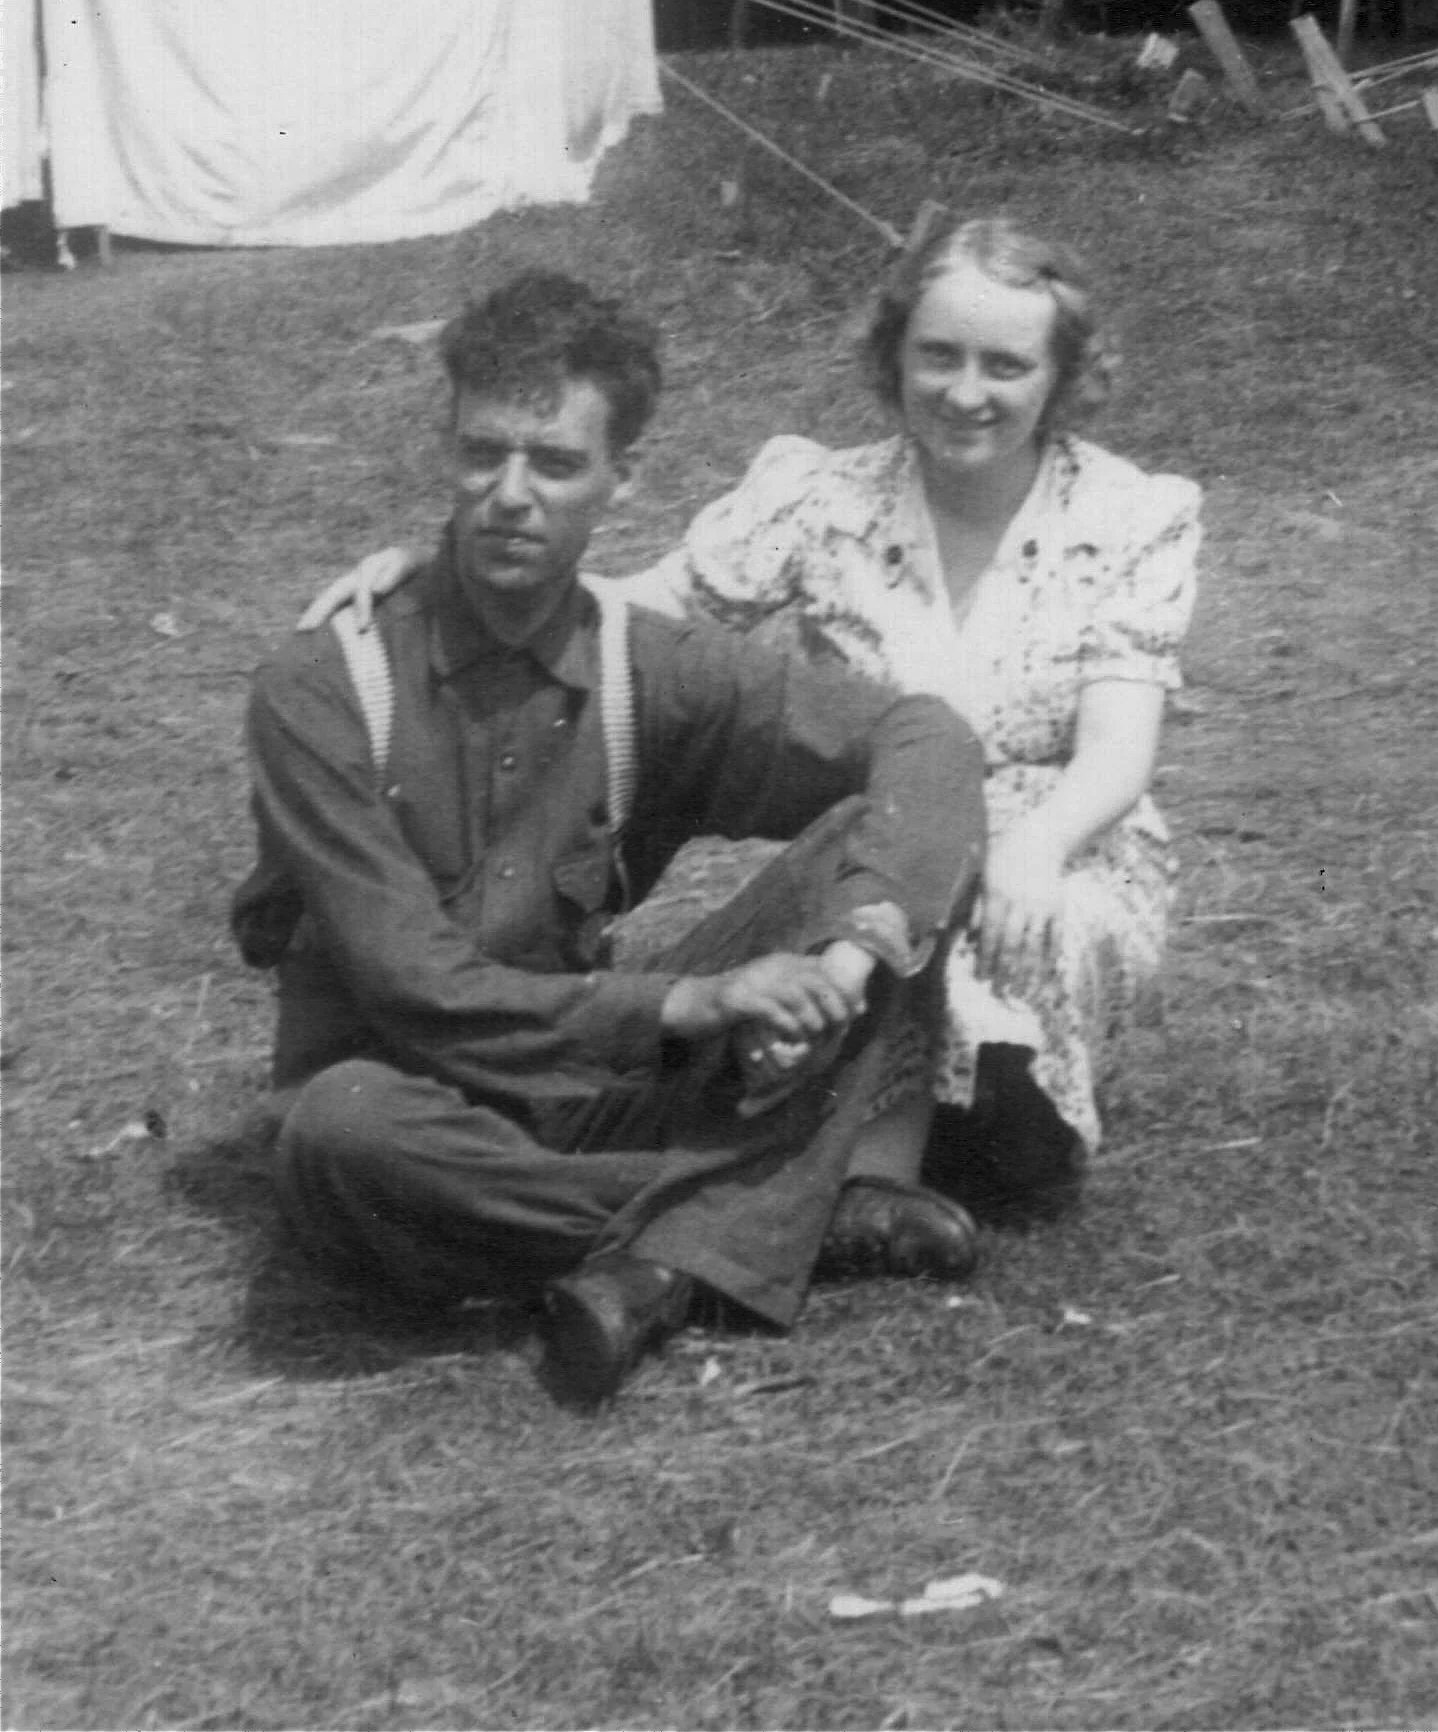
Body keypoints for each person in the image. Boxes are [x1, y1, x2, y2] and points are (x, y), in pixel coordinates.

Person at [308, 215, 1202, 1216]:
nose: (964, 392)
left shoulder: (1130, 514)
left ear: (1058, 374)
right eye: (936, 355)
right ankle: (862, 1181)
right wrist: (456, 576)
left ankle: (965, 1124)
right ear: (892, 352)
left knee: (1006, 944)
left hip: (1058, 841)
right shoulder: (822, 496)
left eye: (1003, 365)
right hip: (888, 826)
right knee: (879, 884)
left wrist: (1029, 850)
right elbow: (646, 601)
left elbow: (1117, 751)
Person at [236, 269, 987, 1408]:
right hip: (408, 1102)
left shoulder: (648, 664)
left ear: (619, 480)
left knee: (875, 845)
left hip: (587, 1088)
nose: (507, 495)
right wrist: (692, 1004)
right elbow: (413, 988)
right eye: (480, 453)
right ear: (443, 450)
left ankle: (669, 1243)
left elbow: (922, 738)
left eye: (553, 463)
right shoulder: (322, 684)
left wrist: (841, 957)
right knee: (342, 1134)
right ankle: (779, 1218)